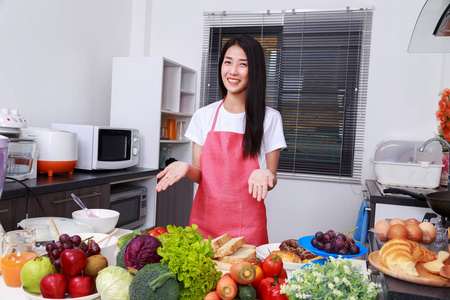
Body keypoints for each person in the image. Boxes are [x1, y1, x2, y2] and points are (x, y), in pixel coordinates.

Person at [155, 35, 286, 246]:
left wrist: (266, 174)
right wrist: (186, 168)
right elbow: (201, 175)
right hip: (205, 223)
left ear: (255, 71)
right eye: (228, 62)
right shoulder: (203, 116)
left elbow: (270, 180)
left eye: (242, 64)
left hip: (248, 228)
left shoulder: (270, 118)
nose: (233, 71)